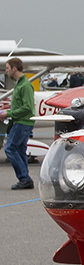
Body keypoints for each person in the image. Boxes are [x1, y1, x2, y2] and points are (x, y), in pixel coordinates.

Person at [4, 58, 35, 189]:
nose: (6, 71)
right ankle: (25, 178)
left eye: (7, 68)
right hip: (21, 121)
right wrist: (7, 112)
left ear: (14, 69)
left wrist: (9, 114)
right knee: (20, 150)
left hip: (23, 122)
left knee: (10, 148)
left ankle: (24, 178)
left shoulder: (25, 85)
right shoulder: (19, 84)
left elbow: (28, 107)